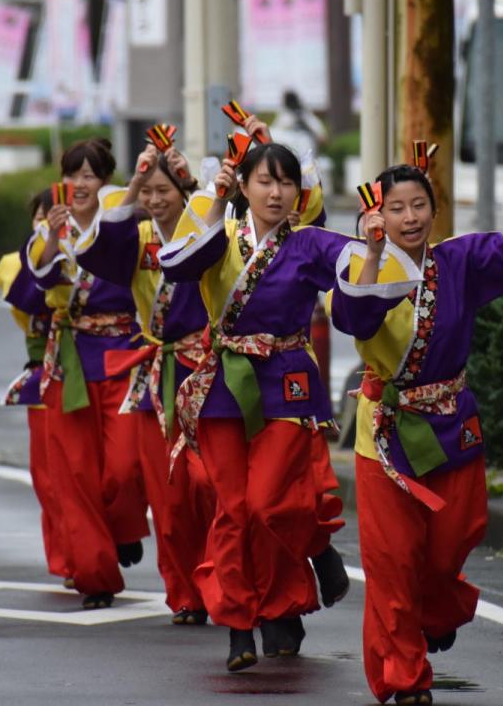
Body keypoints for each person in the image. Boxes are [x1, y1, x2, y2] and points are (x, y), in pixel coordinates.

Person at [330, 148, 503, 706]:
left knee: (450, 547)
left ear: (435, 210)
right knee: (393, 564)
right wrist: (372, 256)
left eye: (420, 204)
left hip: (451, 426)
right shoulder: (359, 266)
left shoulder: (461, 261)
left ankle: (436, 612)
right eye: (397, 208)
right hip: (388, 437)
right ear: (379, 217)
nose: (411, 217)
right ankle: (405, 677)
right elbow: (353, 318)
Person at [158, 142, 353, 672]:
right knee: (234, 509)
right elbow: (174, 262)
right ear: (243, 185)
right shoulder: (218, 233)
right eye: (264, 181)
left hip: (287, 381)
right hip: (225, 381)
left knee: (271, 504)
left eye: (286, 182)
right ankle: (239, 622)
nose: (275, 191)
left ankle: (316, 547)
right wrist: (212, 199)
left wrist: (382, 243)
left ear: (298, 192)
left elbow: (361, 273)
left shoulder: (309, 243)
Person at [74, 144, 216, 626]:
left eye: (164, 191)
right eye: (148, 193)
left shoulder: (208, 231)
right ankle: (185, 593)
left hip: (205, 369)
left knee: (210, 486)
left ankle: (223, 579)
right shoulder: (134, 237)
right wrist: (131, 187)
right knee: (167, 495)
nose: (155, 201)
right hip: (155, 370)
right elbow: (93, 249)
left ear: (183, 193)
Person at [25, 138, 150, 609]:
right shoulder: (48, 229)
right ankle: (96, 576)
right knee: (75, 474)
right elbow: (39, 280)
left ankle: (123, 529)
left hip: (122, 353)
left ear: (106, 181)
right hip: (71, 359)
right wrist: (54, 236)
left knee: (124, 466)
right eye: (73, 174)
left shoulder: (126, 223)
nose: (80, 184)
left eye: (91, 175)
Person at [0, 190, 70, 587]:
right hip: (44, 371)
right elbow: (29, 295)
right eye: (42, 215)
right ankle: (64, 556)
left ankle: (96, 548)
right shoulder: (16, 262)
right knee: (48, 475)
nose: (49, 221)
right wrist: (47, 247)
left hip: (87, 368)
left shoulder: (85, 251)